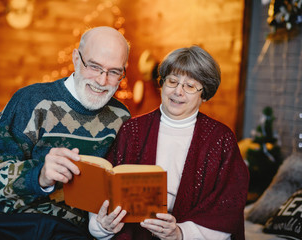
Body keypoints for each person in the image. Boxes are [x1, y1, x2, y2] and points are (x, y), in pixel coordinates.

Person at [0, 26, 131, 240]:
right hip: (2, 222)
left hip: (65, 231)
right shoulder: (31, 100)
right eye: (94, 67)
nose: (102, 81)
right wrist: (40, 175)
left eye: (114, 72)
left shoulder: (121, 118)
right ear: (75, 58)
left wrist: (104, 223)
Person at [88, 46, 249, 240]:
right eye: (172, 81)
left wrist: (180, 233)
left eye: (190, 86)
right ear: (162, 83)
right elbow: (104, 192)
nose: (178, 92)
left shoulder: (221, 139)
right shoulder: (132, 130)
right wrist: (103, 225)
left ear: (204, 93)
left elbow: (226, 208)